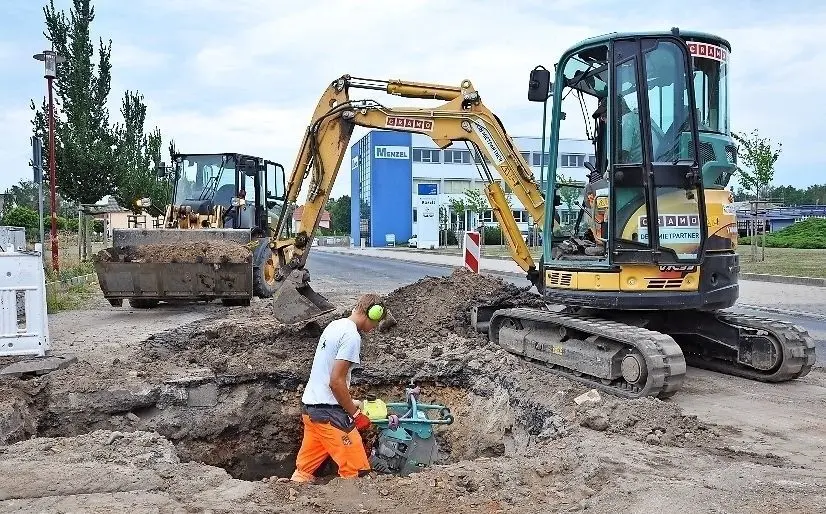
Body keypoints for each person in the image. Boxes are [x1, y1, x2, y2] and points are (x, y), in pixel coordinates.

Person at [289, 293, 390, 483]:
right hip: (328, 415)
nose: (374, 328)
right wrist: (355, 414)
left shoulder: (335, 325)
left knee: (304, 471)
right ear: (373, 314)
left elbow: (325, 373)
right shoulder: (352, 336)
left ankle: (293, 497)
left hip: (311, 410)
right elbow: (335, 382)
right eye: (376, 323)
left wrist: (349, 402)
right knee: (357, 472)